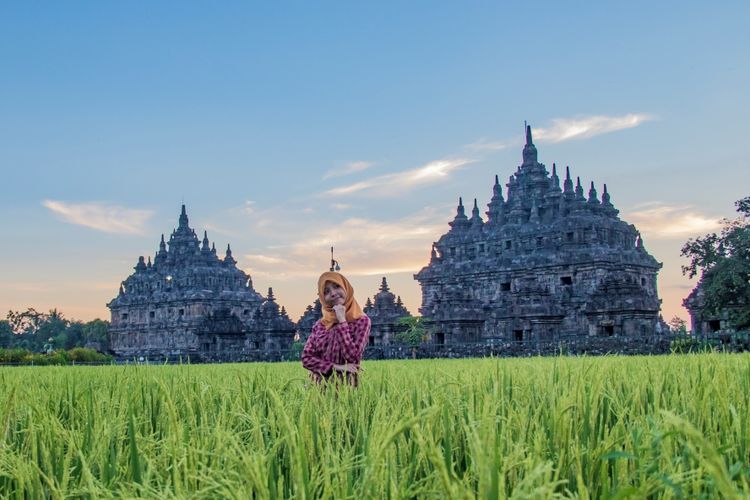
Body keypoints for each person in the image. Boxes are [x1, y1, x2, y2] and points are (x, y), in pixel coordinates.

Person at [302, 271, 371, 387]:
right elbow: (306, 358)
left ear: (346, 287)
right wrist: (336, 367)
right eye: (326, 292)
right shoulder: (320, 325)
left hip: (346, 387)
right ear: (323, 298)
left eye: (337, 286)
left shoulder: (361, 321)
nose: (333, 293)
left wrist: (342, 321)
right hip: (318, 388)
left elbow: (352, 357)